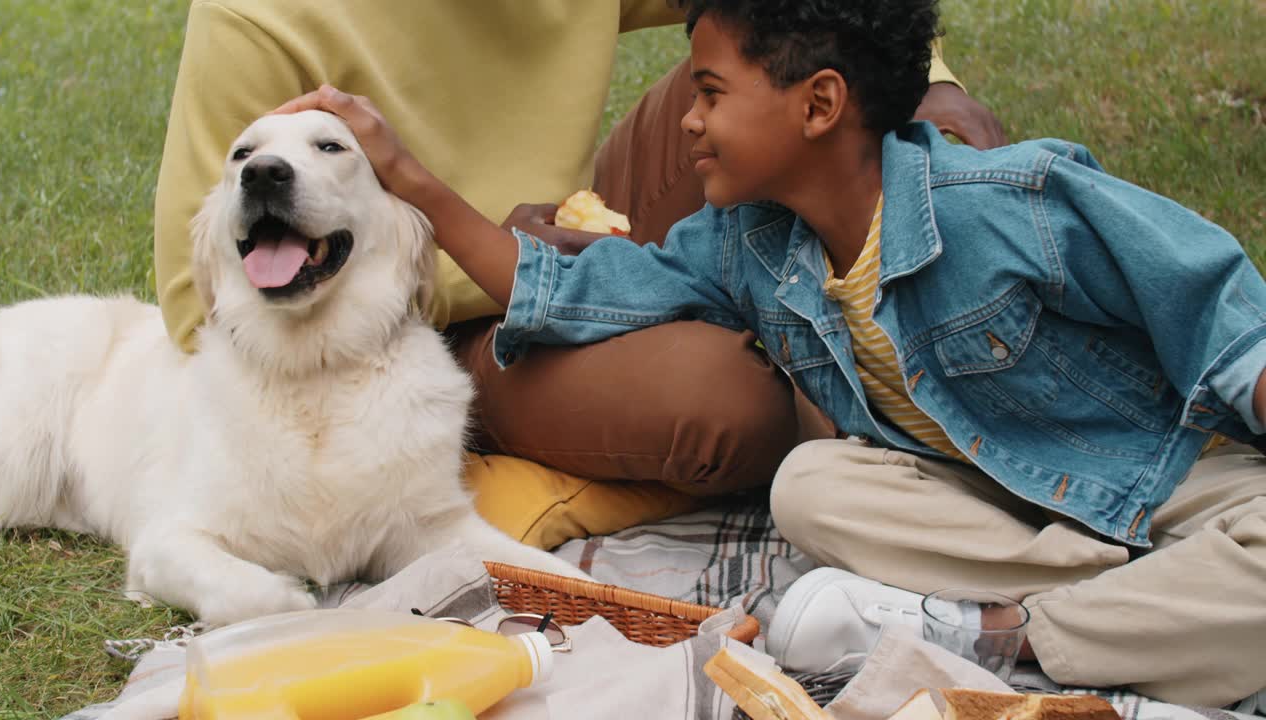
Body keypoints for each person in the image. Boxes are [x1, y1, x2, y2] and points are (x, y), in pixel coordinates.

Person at [273, 0, 1266, 707]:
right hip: (1003, 507)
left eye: (708, 91)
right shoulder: (750, 246)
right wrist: (404, 176)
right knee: (812, 489)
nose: (687, 119)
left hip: (1173, 473)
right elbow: (574, 291)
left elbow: (1214, 305)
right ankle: (1162, 607)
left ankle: (1004, 638)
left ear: (818, 105)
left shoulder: (1019, 201)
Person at [154, 0, 1004, 494]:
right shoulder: (254, 15)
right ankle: (849, 387)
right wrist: (470, 258)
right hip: (423, 326)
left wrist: (925, 83)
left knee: (759, 74)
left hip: (573, 227)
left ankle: (891, 350)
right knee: (728, 407)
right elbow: (197, 307)